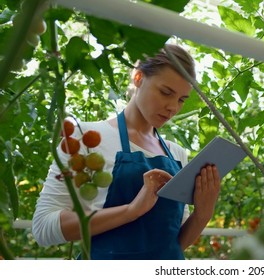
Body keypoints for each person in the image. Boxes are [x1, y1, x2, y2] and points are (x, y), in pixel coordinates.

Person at [32, 44, 221, 260]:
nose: (173, 107)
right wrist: (131, 211)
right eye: (166, 92)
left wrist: (203, 213)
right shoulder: (85, 138)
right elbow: (42, 227)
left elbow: (172, 246)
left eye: (181, 100)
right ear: (138, 78)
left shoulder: (177, 154)